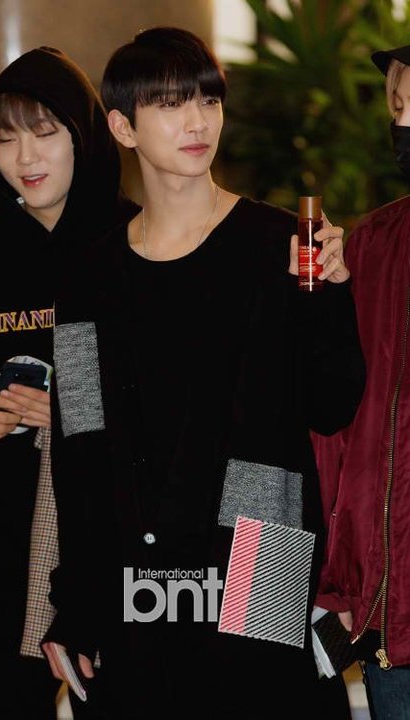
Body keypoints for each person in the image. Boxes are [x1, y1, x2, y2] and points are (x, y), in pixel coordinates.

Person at [43, 27, 365, 719]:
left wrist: (329, 296)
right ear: (123, 127)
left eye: (208, 101)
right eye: (170, 104)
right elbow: (79, 449)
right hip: (134, 561)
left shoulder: (285, 244)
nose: (197, 121)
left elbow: (332, 404)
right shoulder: (86, 279)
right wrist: (76, 602)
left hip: (263, 555)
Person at [0, 45, 137, 720]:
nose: (25, 157)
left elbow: (188, 400)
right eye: (5, 139)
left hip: (118, 562)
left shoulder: (138, 241)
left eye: (45, 133)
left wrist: (76, 412)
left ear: (84, 135)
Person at [312, 43, 410, 720]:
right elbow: (333, 433)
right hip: (387, 619)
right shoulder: (370, 247)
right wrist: (329, 585)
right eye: (398, 107)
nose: (402, 124)